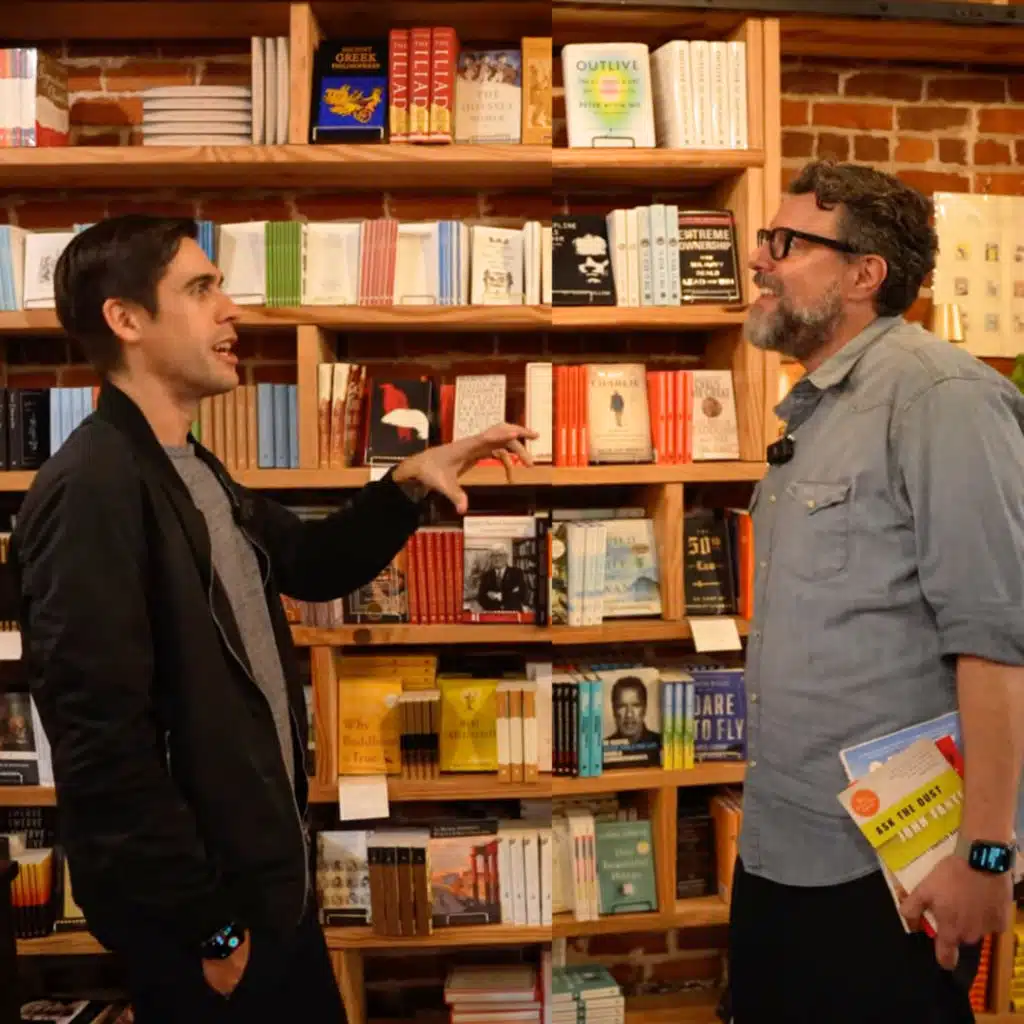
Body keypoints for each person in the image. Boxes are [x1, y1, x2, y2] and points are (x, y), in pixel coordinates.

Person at [9, 214, 536, 1024]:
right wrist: (210, 929)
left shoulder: (191, 466)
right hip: (210, 923)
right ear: (126, 320)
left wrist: (409, 483)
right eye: (200, 289)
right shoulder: (91, 490)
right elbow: (100, 744)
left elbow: (311, 563)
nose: (232, 310)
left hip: (267, 892)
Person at [728, 159, 1024, 1024]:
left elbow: (998, 639)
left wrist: (987, 857)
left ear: (864, 275)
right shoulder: (818, 408)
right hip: (782, 842)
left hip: (889, 872)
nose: (759, 259)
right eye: (764, 238)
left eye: (786, 242)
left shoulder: (943, 397)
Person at [475, 546, 528, 611]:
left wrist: (498, 596)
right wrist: (510, 594)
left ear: (506, 557)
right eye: (494, 556)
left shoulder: (517, 572)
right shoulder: (486, 575)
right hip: (493, 613)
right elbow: (481, 598)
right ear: (491, 558)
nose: (497, 558)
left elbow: (522, 594)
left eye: (500, 555)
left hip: (512, 612)